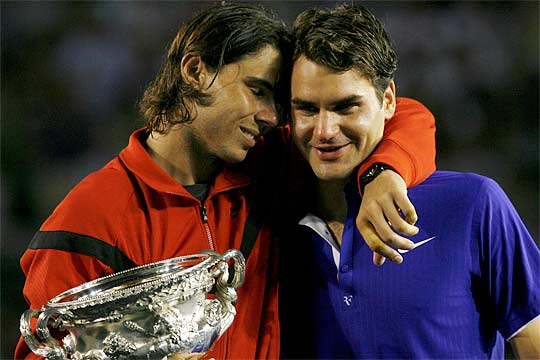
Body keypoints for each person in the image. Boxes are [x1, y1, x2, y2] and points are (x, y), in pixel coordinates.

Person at [15, 3, 437, 359]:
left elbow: (408, 116)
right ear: (196, 70)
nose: (272, 116)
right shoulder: (88, 220)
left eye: (278, 100)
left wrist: (384, 172)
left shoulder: (269, 166)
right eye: (256, 90)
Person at [279, 4, 540, 360]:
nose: (324, 131)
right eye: (307, 109)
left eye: (346, 107)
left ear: (387, 101)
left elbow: (533, 338)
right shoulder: (272, 220)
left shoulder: (472, 205)